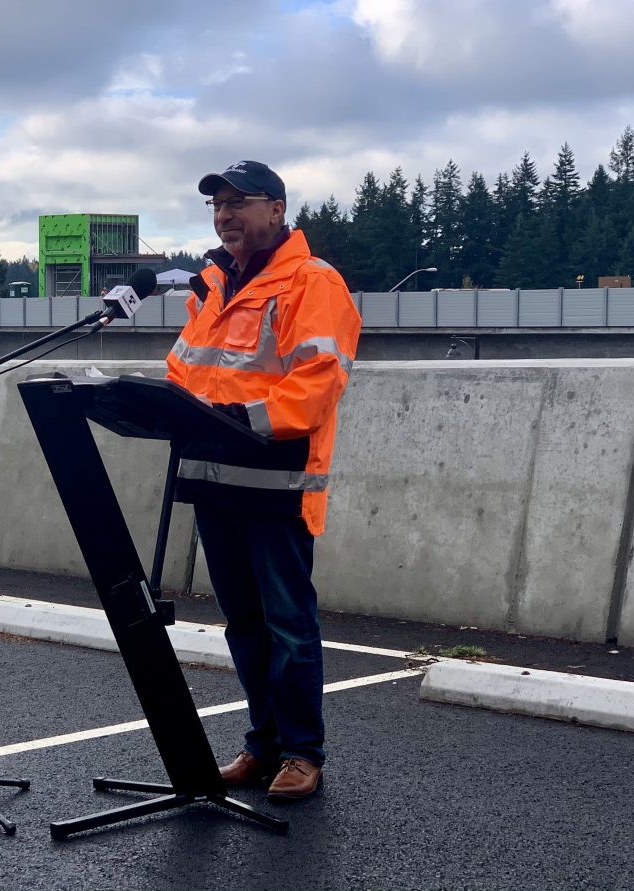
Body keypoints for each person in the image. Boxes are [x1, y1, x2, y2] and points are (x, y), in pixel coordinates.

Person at [166, 160, 361, 800]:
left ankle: (303, 752)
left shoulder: (312, 282)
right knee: (244, 626)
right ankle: (264, 745)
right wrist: (166, 407)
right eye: (216, 206)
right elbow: (185, 367)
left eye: (238, 202)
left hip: (275, 483)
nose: (225, 215)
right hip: (215, 481)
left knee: (287, 625)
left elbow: (317, 384)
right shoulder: (213, 285)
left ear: (276, 210)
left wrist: (229, 420)